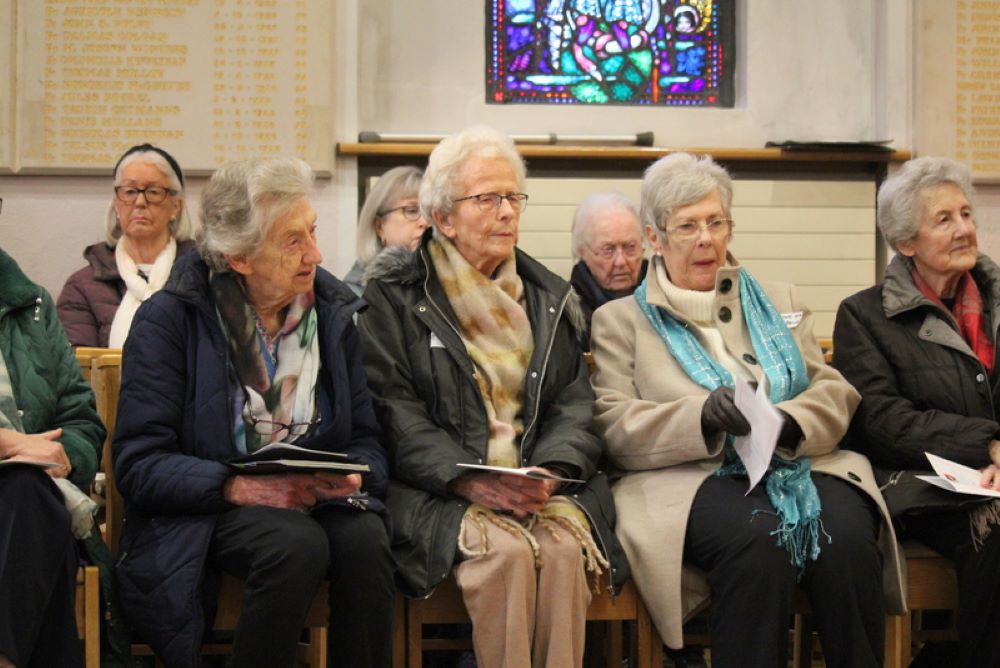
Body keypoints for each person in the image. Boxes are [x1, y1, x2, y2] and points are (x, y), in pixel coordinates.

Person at [589, 152, 904, 668]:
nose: (706, 239)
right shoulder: (619, 320)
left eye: (716, 222)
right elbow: (614, 426)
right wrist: (701, 416)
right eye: (687, 226)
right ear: (654, 238)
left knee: (846, 539)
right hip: (689, 478)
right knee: (758, 542)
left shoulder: (780, 299)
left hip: (800, 463)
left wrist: (790, 422)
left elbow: (832, 388)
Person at [359, 126, 628, 668]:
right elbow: (394, 410)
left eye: (513, 197)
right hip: (436, 491)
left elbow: (574, 403)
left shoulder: (550, 297)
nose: (507, 212)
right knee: (502, 553)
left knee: (560, 550)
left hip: (538, 484)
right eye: (487, 199)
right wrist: (467, 478)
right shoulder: (395, 295)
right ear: (443, 217)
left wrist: (551, 471)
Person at [112, 157, 394, 668]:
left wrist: (355, 476)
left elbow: (367, 438)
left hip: (315, 499)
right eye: (292, 241)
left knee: (368, 540)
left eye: (310, 231)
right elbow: (138, 464)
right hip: (207, 511)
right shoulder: (170, 320)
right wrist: (234, 486)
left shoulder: (333, 312)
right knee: (294, 544)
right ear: (239, 257)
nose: (316, 253)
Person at [833, 156, 1000, 667]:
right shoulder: (864, 315)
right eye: (944, 220)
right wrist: (988, 445)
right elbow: (883, 423)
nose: (964, 230)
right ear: (906, 243)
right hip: (924, 485)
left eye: (966, 214)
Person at [0, 244, 105, 668]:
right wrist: (8, 444)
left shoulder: (32, 304)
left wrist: (65, 457)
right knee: (35, 511)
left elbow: (82, 419)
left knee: (30, 495)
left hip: (29, 497)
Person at [58, 143, 196, 348]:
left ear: (176, 206)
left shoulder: (203, 275)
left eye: (153, 192)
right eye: (130, 191)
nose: (140, 201)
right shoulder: (82, 287)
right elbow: (76, 370)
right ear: (116, 204)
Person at [569, 190, 647, 345]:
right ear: (582, 252)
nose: (621, 261)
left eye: (630, 247)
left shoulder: (665, 301)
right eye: (608, 250)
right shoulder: (569, 315)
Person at [343, 165, 429, 296]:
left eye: (429, 212)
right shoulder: (353, 298)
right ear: (379, 226)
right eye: (411, 211)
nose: (425, 222)